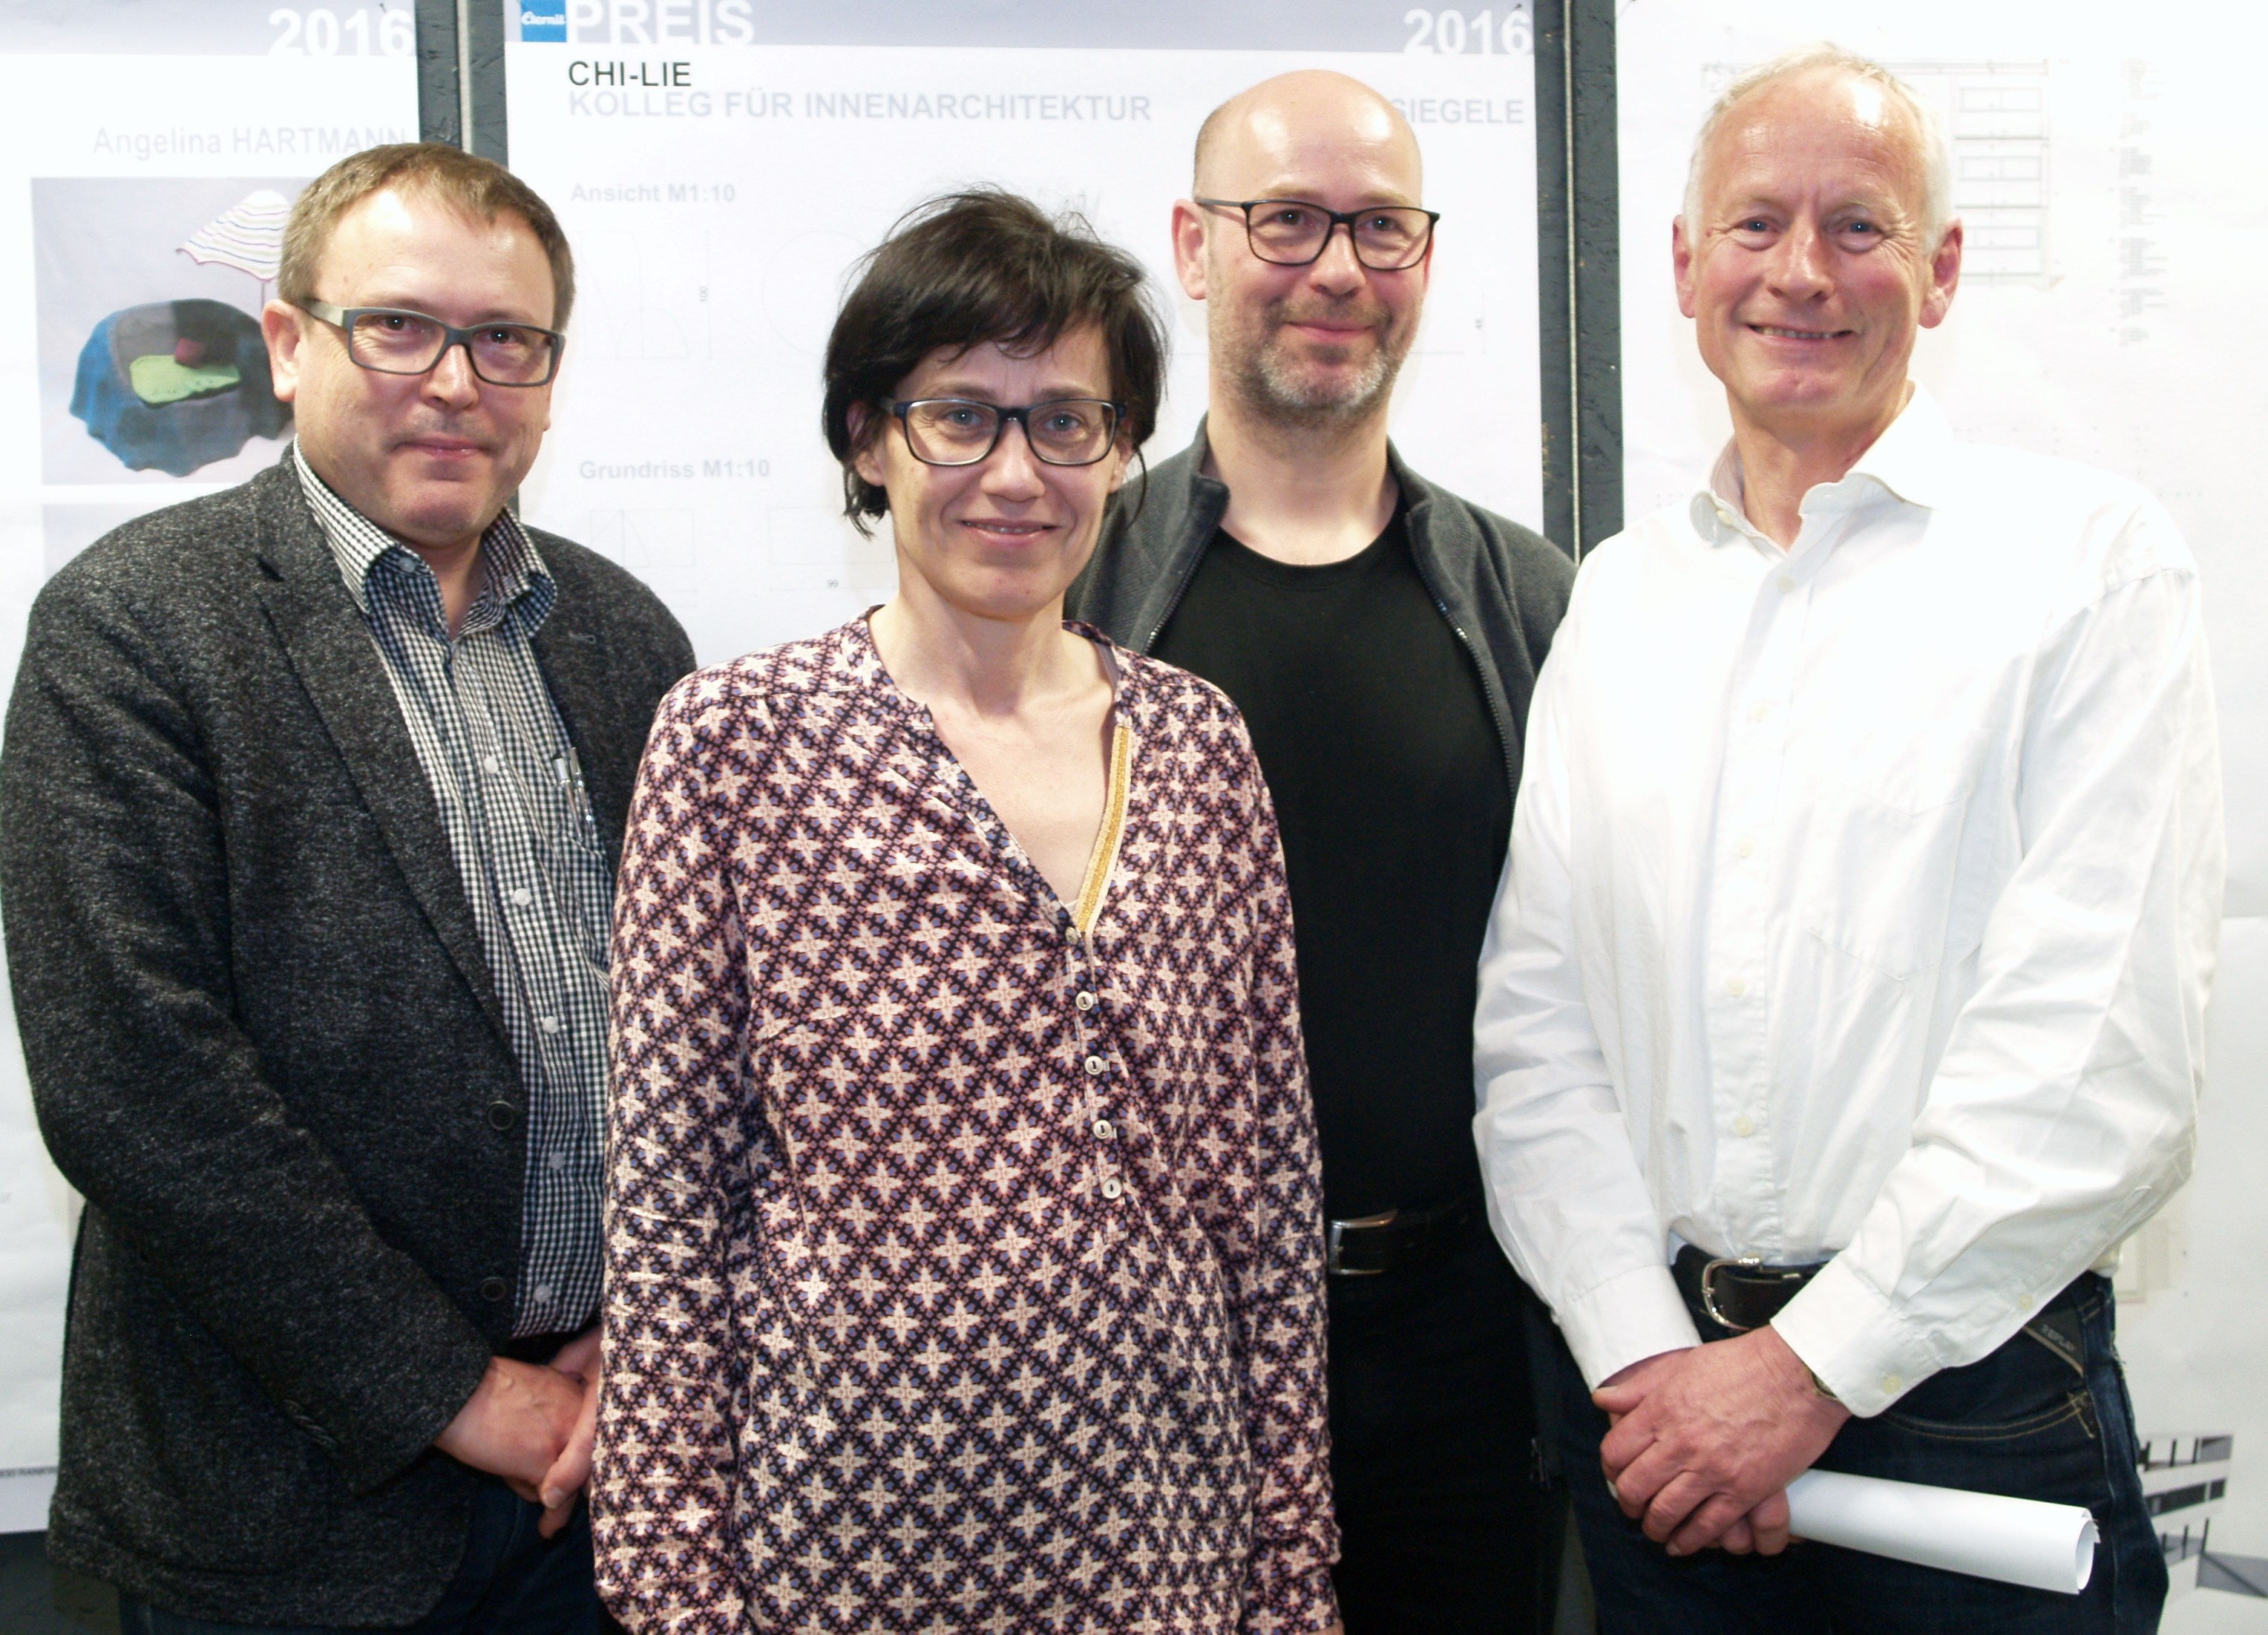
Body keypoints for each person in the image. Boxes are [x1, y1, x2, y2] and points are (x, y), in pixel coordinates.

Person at [1473, 45, 2222, 1633]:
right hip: (1654, 1418)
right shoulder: (1616, 601)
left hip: (1969, 1398)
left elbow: (2097, 1051)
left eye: (1857, 226)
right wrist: (1651, 1364)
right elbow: (1539, 1032)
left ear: (1939, 270)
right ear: (1685, 266)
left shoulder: (2087, 567)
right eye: (1755, 224)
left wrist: (1804, 1372)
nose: (1800, 271)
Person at [591, 190, 1343, 1635]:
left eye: (1065, 421)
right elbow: (669, 1213)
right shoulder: (736, 743)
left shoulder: (1199, 746)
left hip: (1166, 1564)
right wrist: (676, 1596)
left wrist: (1289, 1579)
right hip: (838, 1570)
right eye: (958, 417)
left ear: (1121, 451)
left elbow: (1265, 1200)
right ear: (868, 439)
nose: (1014, 473)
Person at [0, 143, 693, 1632]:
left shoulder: (626, 636)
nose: (455, 383)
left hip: (596, 1484)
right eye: (399, 327)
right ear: (285, 342)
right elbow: (134, 1084)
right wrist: (454, 1393)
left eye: (505, 339)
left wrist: (638, 1335)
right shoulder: (132, 628)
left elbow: (701, 1038)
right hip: (281, 1514)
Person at [1067, 70, 1576, 1631]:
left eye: (1380, 228)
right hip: (1152, 1363)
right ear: (1194, 246)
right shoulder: (1071, 589)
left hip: (1467, 1356)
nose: (1338, 270)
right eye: (1286, 220)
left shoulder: (1532, 604)